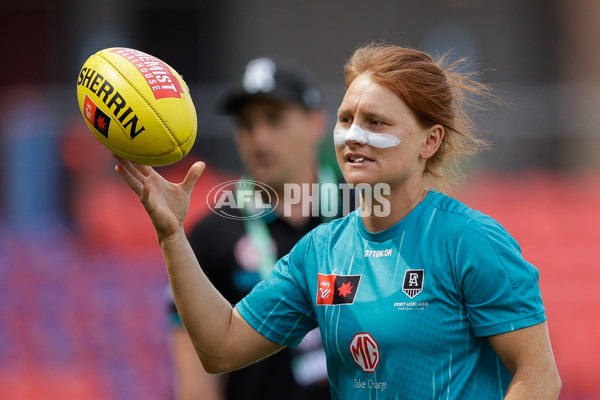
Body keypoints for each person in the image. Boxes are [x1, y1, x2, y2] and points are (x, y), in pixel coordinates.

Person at [115, 42, 562, 399]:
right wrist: (171, 234)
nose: (353, 136)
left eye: (375, 121)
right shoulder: (320, 250)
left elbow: (540, 378)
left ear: (430, 141)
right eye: (346, 118)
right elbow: (221, 346)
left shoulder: (469, 240)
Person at [166, 56, 340, 400]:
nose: (259, 138)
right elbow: (197, 383)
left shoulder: (363, 214)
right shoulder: (210, 236)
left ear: (316, 123)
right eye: (246, 124)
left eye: (274, 120)